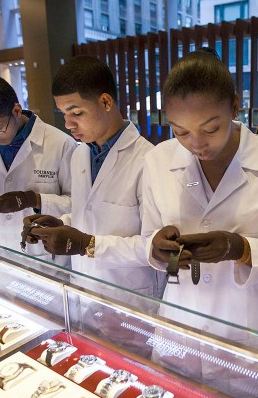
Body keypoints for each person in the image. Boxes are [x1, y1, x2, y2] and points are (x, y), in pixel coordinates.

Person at [140, 49, 258, 398]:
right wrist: (156, 247)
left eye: (210, 128)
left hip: (245, 330)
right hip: (180, 323)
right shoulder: (156, 160)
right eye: (180, 131)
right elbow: (147, 236)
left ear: (234, 107)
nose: (196, 144)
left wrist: (241, 249)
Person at [21, 56, 162, 298]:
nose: (67, 124)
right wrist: (62, 223)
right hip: (83, 289)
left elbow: (155, 247)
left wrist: (88, 244)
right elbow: (88, 215)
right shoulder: (80, 154)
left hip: (129, 296)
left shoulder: (148, 160)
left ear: (106, 102)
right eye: (63, 113)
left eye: (76, 113)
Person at [0, 76, 75, 261]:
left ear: (16, 110)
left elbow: (78, 206)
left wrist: (33, 200)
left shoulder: (61, 144)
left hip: (42, 257)